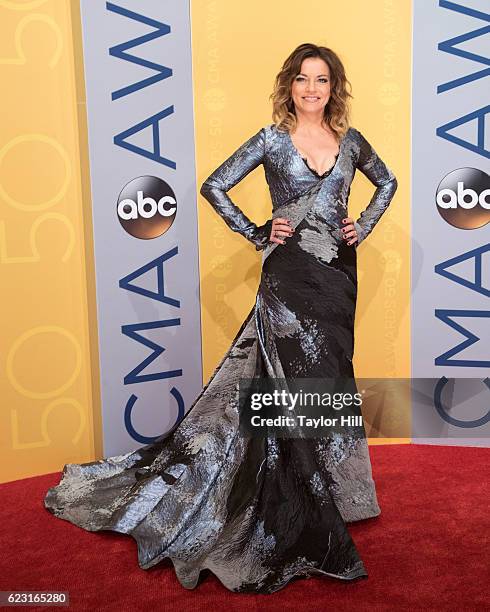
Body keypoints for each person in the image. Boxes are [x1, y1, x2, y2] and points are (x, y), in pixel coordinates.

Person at [44, 42, 398, 594]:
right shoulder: (270, 141)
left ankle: (336, 488)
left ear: (334, 87)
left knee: (329, 380)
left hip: (337, 283)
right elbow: (214, 185)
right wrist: (260, 232)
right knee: (284, 388)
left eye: (322, 80)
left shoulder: (350, 143)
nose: (311, 89)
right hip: (287, 279)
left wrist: (363, 226)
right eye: (303, 79)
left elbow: (388, 182)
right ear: (289, 85)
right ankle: (297, 498)